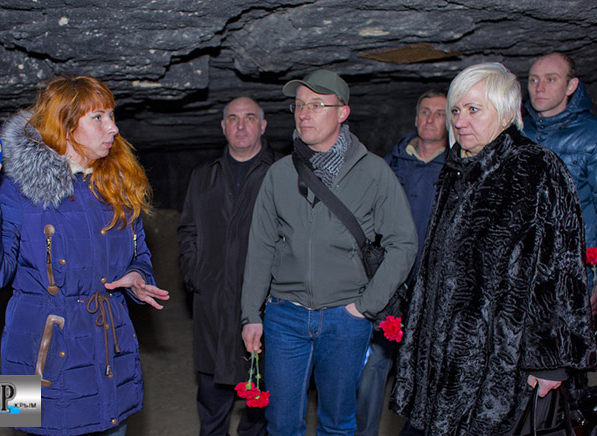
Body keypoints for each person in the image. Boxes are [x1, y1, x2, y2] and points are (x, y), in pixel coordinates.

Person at [0, 75, 170, 436]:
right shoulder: (18, 190)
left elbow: (138, 252)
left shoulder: (116, 184)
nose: (113, 128)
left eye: (111, 115)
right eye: (98, 117)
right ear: (65, 125)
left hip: (110, 353)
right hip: (48, 358)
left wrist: (137, 276)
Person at [391, 62, 596, 436]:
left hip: (503, 361)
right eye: (456, 110)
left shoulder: (536, 167)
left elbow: (560, 270)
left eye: (473, 109)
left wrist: (549, 362)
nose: (460, 121)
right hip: (446, 357)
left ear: (504, 112)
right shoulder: (458, 169)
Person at [240, 69, 417, 436]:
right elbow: (261, 245)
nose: (304, 114)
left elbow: (403, 242)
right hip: (285, 315)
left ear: (342, 113)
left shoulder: (373, 172)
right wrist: (251, 314)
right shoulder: (279, 174)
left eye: (317, 105)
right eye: (299, 105)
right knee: (281, 424)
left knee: (337, 423)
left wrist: (365, 306)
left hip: (345, 316)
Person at [178, 96, 278, 436]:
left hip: (264, 304)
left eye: (249, 117)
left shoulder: (281, 173)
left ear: (262, 126)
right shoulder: (204, 176)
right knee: (211, 395)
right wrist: (195, 274)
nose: (241, 125)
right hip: (213, 301)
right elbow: (188, 230)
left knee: (259, 398)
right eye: (233, 118)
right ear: (223, 127)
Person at [355, 89, 448, 436]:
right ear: (415, 116)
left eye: (440, 113)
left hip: (434, 290)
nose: (430, 119)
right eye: (425, 111)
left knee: (426, 370)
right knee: (373, 366)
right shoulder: (387, 166)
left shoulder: (458, 169)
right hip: (389, 286)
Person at [522, 52, 597, 295]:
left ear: (571, 86)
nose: (539, 87)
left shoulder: (591, 135)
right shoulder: (518, 132)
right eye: (533, 79)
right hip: (525, 269)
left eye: (551, 79)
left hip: (574, 269)